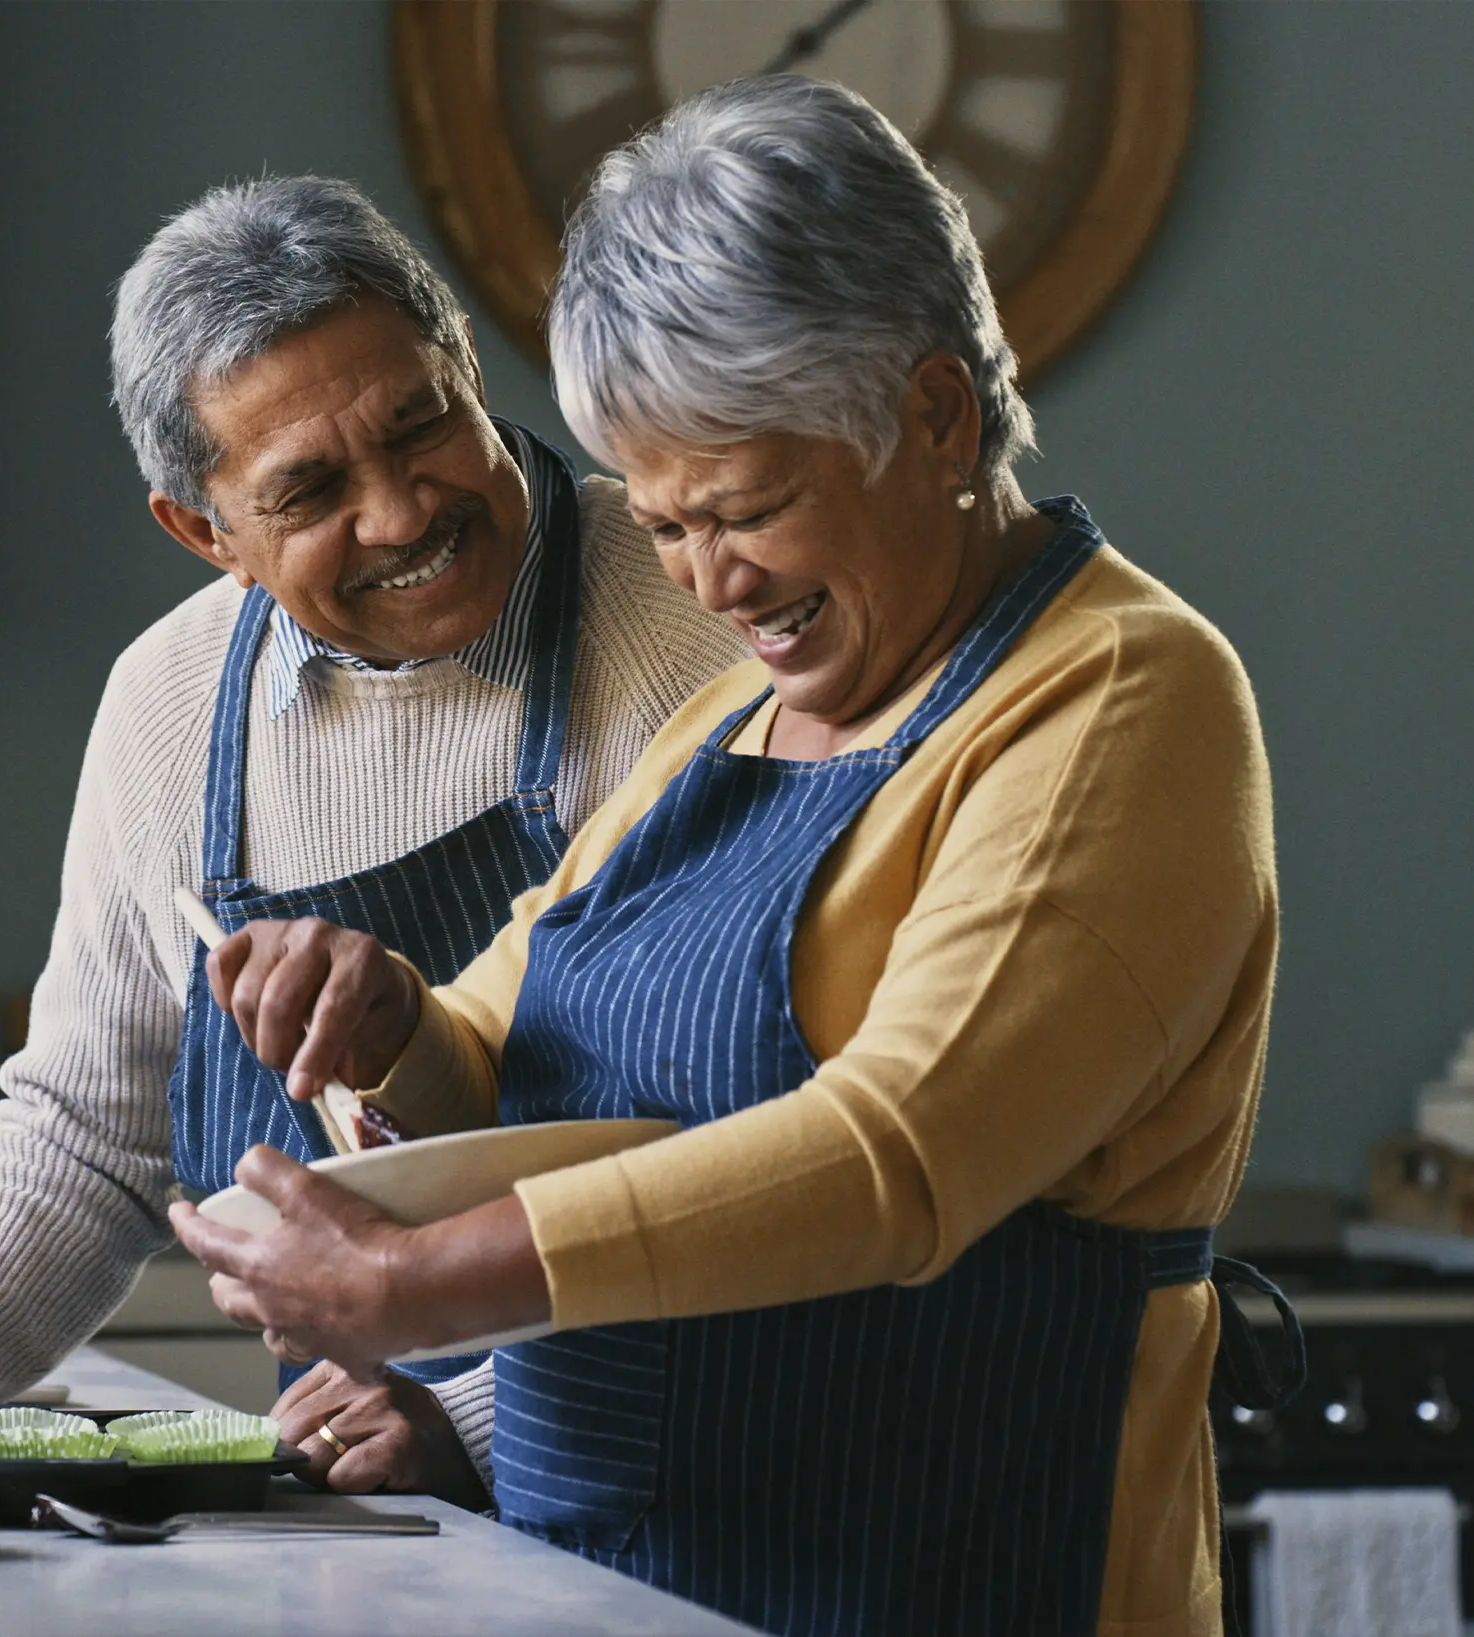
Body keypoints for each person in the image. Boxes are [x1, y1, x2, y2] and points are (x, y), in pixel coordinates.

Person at [166, 77, 1303, 1637]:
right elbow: (496, 1045)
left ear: (936, 416)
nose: (708, 581)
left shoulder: (1116, 696)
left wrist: (433, 1290)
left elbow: (901, 1152)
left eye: (747, 508)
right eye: (660, 522)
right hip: (625, 1590)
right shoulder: (726, 723)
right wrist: (389, 1021)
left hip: (960, 1582)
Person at [0, 177, 746, 1505]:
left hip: (710, 1476)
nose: (398, 513)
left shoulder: (701, 619)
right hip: (366, 1524)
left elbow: (776, 1139)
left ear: (466, 367)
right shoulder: (170, 705)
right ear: (201, 531)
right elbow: (92, 1134)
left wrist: (474, 1420)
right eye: (310, 490)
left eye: (420, 423)